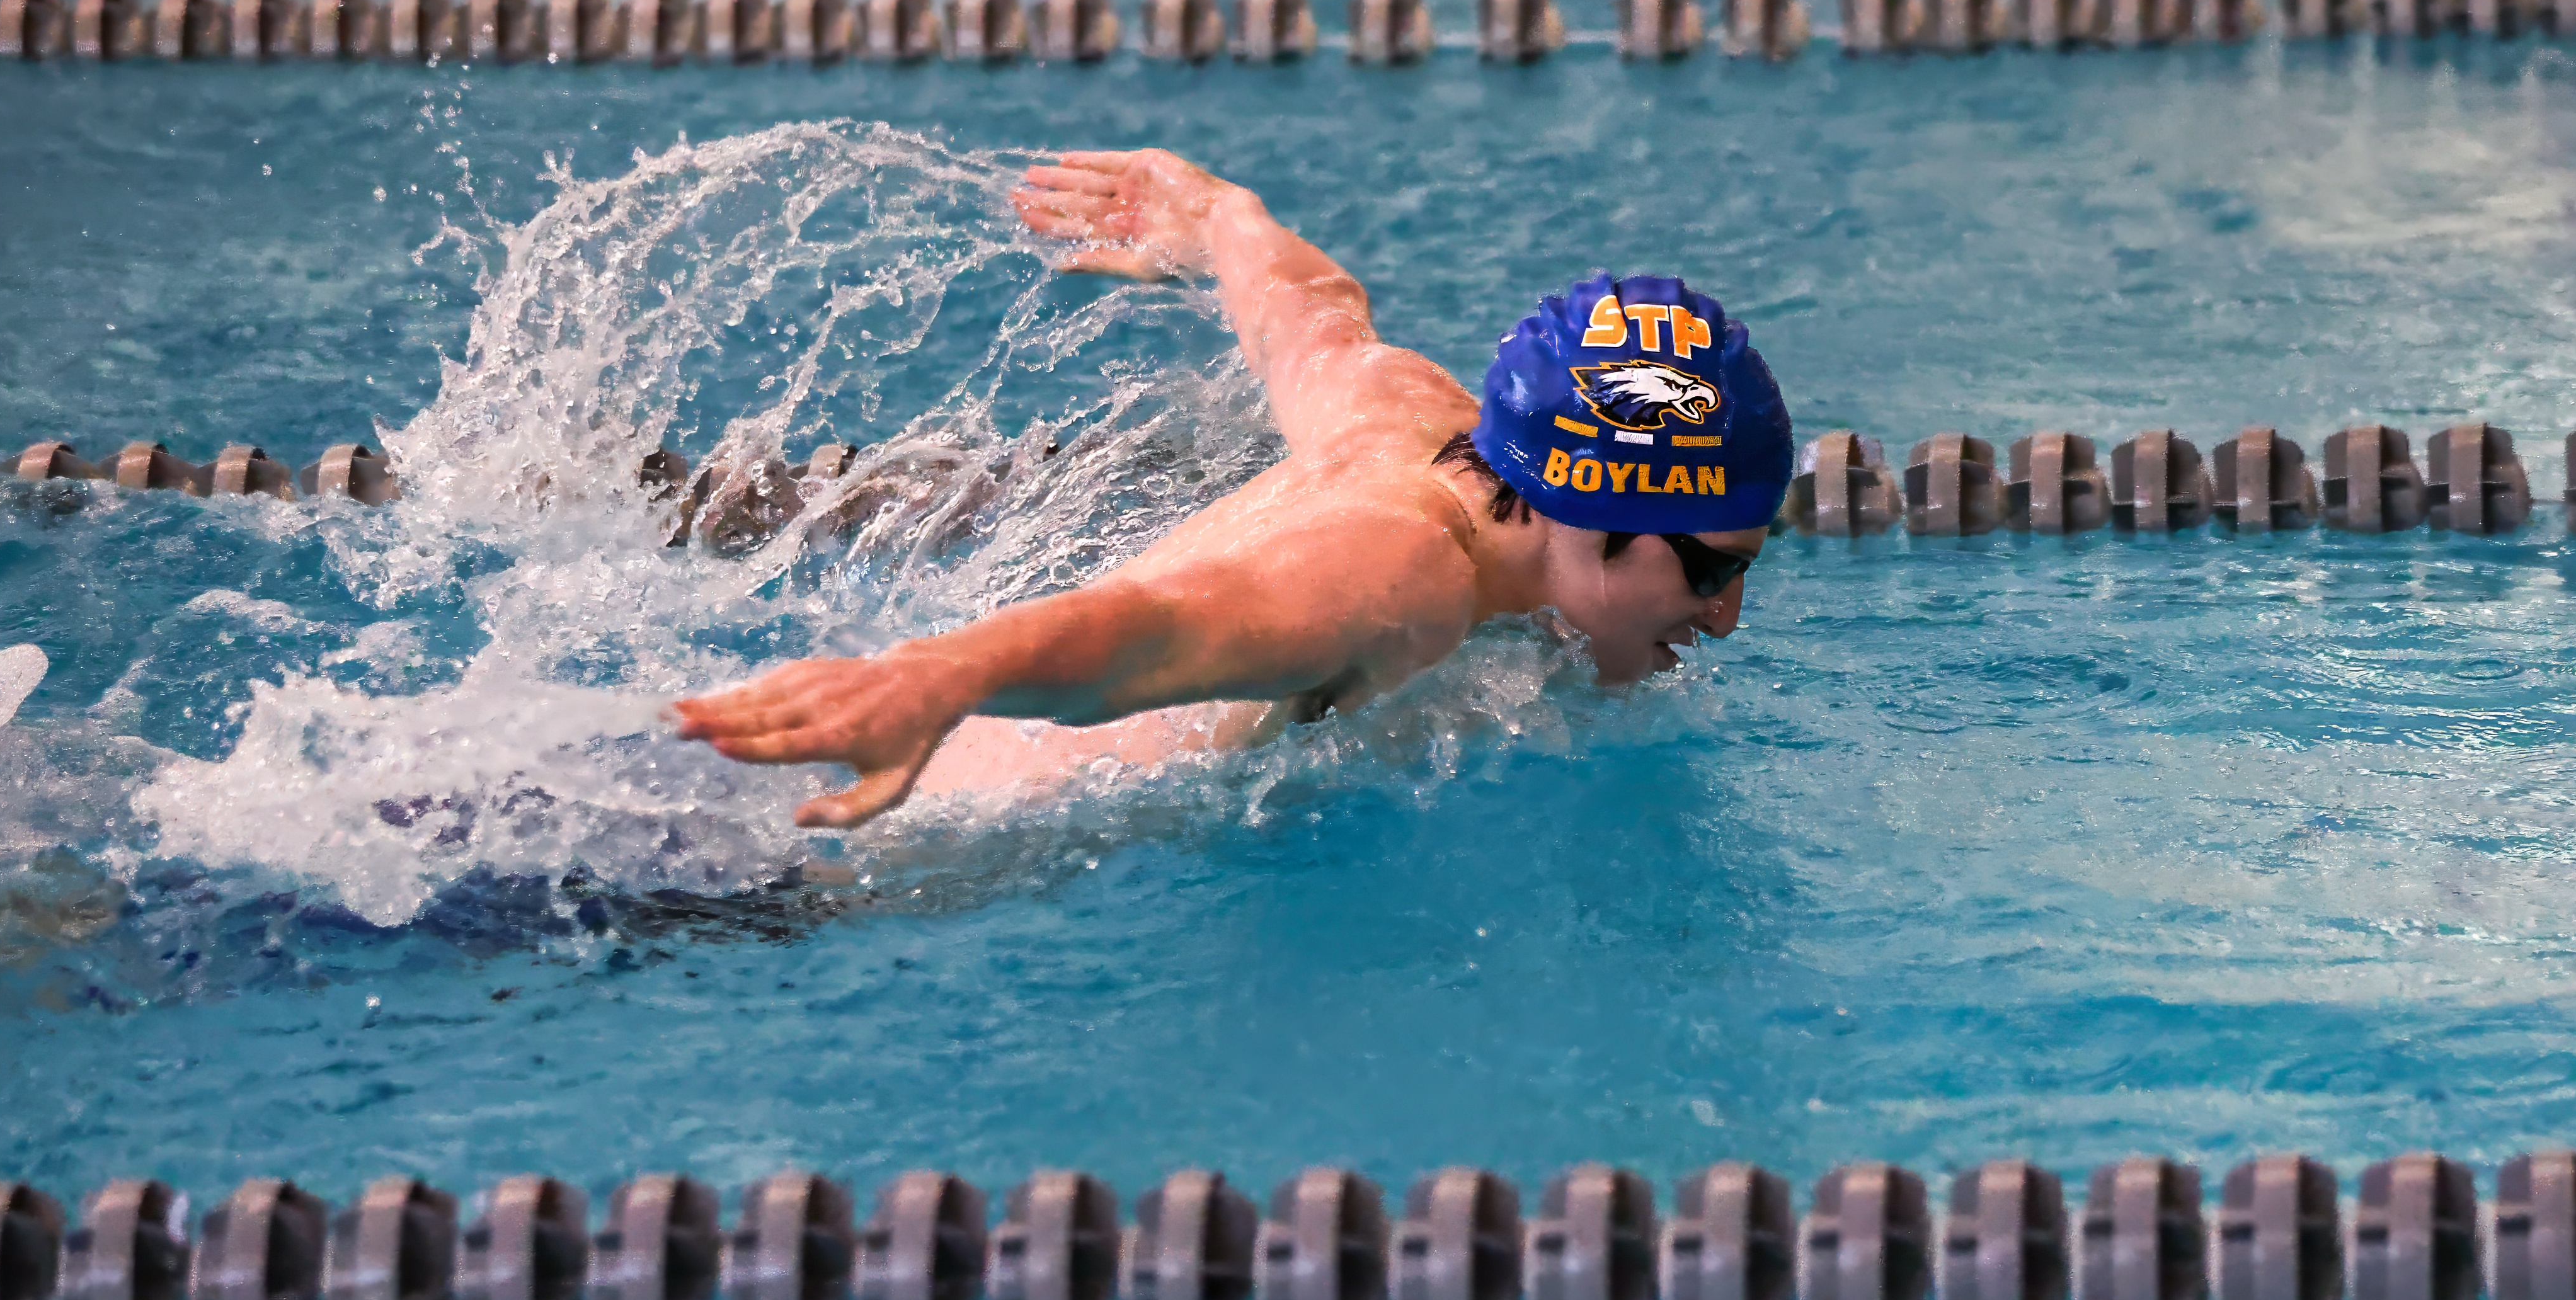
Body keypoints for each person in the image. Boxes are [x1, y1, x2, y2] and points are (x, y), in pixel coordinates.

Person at [670, 147, 1795, 829]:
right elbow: (1156, 630)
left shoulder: (1419, 424)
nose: (1726, 617)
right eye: (1710, 569)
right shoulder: (1405, 574)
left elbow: (1315, 317)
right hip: (807, 866)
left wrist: (1218, 218)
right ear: (1595, 510)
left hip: (771, 780)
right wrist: (937, 676)